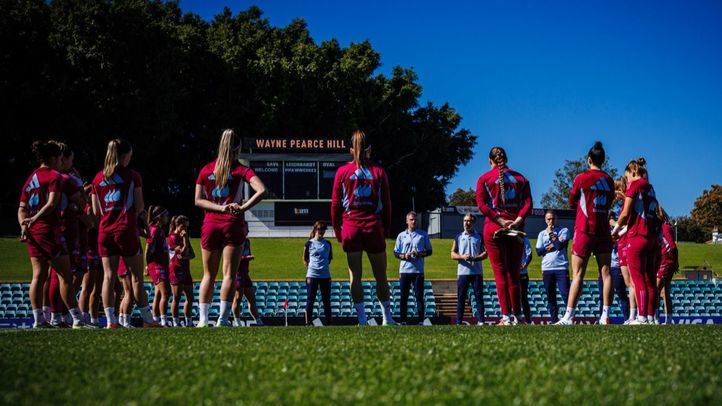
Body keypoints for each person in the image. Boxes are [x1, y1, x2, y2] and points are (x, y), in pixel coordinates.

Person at [194, 129, 266, 327]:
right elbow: (261, 190)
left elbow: (198, 200)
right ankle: (223, 319)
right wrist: (241, 207)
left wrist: (219, 207)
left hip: (210, 224)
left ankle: (202, 320)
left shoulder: (206, 169)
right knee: (229, 274)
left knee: (208, 274)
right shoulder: (240, 169)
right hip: (232, 224)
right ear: (237, 148)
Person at [19, 140, 90, 328]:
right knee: (65, 277)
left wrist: (24, 225)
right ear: (52, 159)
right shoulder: (56, 177)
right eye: (60, 159)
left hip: (33, 234)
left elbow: (22, 209)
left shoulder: (30, 178)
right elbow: (53, 204)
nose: (62, 163)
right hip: (49, 231)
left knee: (38, 276)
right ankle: (77, 319)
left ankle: (39, 320)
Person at [331, 130, 396, 326]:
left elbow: (335, 205)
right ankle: (387, 318)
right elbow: (387, 203)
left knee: (354, 277)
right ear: (370, 149)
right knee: (381, 276)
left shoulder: (342, 172)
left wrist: (338, 231)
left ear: (351, 150)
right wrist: (386, 227)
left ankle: (362, 319)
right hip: (373, 226)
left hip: (350, 228)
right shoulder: (378, 171)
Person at [91, 138, 157, 328]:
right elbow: (139, 205)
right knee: (136, 277)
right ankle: (148, 319)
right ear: (125, 155)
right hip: (125, 229)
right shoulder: (132, 176)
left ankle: (111, 321)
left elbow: (96, 211)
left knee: (108, 276)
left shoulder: (98, 178)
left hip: (105, 231)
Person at [556, 142, 615, 325]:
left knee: (578, 274)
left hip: (585, 230)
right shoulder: (609, 180)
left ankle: (568, 316)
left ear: (588, 159)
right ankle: (605, 315)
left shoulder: (581, 178)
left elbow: (571, 202)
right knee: (606, 273)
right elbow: (610, 202)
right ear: (603, 160)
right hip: (604, 230)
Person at [475, 146, 532, 325]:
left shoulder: (484, 179)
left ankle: (506, 316)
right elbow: (528, 203)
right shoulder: (521, 178)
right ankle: (518, 316)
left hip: (494, 228)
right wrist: (517, 220)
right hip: (516, 227)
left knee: (500, 273)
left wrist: (500, 221)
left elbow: (482, 205)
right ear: (506, 159)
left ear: (490, 161)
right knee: (514, 273)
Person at [613, 158, 662, 325]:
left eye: (627, 177)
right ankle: (649, 317)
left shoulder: (635, 185)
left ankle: (641, 317)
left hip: (637, 238)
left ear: (632, 172)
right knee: (649, 279)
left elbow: (626, 213)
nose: (626, 180)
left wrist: (615, 230)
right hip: (650, 237)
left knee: (638, 278)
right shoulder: (651, 188)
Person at [394, 211, 432, 325]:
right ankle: (403, 321)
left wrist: (419, 254)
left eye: (415, 219)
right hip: (405, 270)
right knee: (403, 297)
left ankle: (421, 321)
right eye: (411, 219)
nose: (413, 221)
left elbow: (429, 251)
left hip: (418, 271)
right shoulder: (401, 235)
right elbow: (396, 252)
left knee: (419, 296)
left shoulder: (423, 234)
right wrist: (404, 256)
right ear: (407, 221)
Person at [451, 213, 488, 325]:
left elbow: (486, 254)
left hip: (477, 272)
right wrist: (462, 257)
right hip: (462, 272)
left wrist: (475, 258)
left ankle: (481, 321)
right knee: (461, 298)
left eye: (469, 221)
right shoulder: (458, 237)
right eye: (464, 221)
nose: (466, 223)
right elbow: (452, 254)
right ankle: (459, 322)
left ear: (473, 222)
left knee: (479, 298)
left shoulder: (480, 236)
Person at [535, 210, 570, 324]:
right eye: (548, 219)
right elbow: (539, 252)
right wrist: (551, 245)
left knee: (565, 294)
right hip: (547, 268)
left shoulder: (564, 230)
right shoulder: (541, 234)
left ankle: (569, 318)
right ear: (545, 220)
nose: (551, 221)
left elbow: (560, 246)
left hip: (561, 267)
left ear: (556, 218)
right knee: (551, 296)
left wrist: (551, 235)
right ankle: (554, 320)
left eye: (553, 219)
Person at [612, 177, 637, 323]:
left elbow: (630, 224)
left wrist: (616, 232)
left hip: (628, 243)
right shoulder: (622, 205)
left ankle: (637, 315)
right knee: (629, 284)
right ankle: (633, 316)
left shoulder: (629, 204)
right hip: (621, 244)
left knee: (633, 283)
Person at [597, 212, 630, 323]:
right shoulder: (602, 231)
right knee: (602, 295)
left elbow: (630, 228)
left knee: (621, 294)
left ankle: (627, 319)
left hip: (616, 266)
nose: (609, 221)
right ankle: (602, 318)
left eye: (611, 218)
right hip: (604, 266)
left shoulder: (620, 229)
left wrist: (616, 225)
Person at [303, 221, 334, 326]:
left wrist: (323, 267)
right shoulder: (309, 243)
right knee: (310, 300)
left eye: (324, 229)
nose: (322, 231)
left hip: (325, 275)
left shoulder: (328, 244)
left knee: (326, 300)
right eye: (320, 229)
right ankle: (308, 322)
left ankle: (328, 323)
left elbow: (329, 258)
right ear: (315, 229)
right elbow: (305, 258)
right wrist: (312, 268)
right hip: (312, 275)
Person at [145, 205, 171, 327]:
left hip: (162, 265)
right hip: (157, 265)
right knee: (166, 293)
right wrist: (147, 265)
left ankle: (155, 320)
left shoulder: (159, 230)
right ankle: (163, 321)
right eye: (165, 215)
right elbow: (148, 249)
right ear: (159, 217)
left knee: (159, 294)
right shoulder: (154, 230)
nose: (167, 217)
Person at [168, 215, 195, 327]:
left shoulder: (185, 236)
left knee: (190, 297)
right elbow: (183, 252)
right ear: (177, 225)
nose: (185, 229)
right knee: (177, 297)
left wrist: (185, 253)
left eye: (186, 227)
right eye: (183, 226)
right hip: (176, 269)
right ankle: (176, 322)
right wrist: (185, 240)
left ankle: (188, 321)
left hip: (186, 269)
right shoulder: (173, 237)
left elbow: (192, 254)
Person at [232, 239, 262, 326]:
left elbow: (248, 254)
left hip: (245, 273)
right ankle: (237, 321)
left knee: (252, 298)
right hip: (238, 274)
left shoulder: (247, 241)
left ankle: (258, 320)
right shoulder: (235, 241)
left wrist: (247, 258)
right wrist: (245, 258)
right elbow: (233, 257)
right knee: (238, 298)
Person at [656, 207, 678, 325]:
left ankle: (654, 318)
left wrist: (674, 261)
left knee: (656, 290)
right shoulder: (663, 228)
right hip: (665, 261)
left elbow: (672, 246)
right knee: (665, 292)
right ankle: (668, 319)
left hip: (665, 262)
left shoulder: (665, 228)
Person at [519, 236, 533, 323]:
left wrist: (524, 266)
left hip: (522, 273)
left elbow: (529, 254)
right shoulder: (507, 238)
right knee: (510, 297)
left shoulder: (524, 239)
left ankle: (528, 320)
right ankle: (510, 318)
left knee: (523, 297)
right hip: (510, 274)